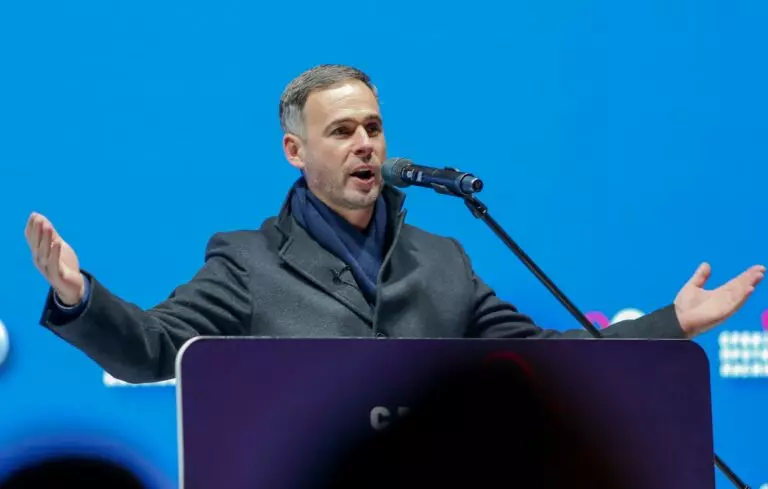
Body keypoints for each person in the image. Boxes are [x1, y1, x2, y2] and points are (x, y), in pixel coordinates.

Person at [25, 64, 764, 384]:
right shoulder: (248, 262)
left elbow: (545, 356)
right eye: (342, 131)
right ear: (295, 151)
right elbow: (153, 350)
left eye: (373, 127)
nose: (365, 145)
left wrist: (672, 323)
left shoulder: (443, 260)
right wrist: (76, 296)